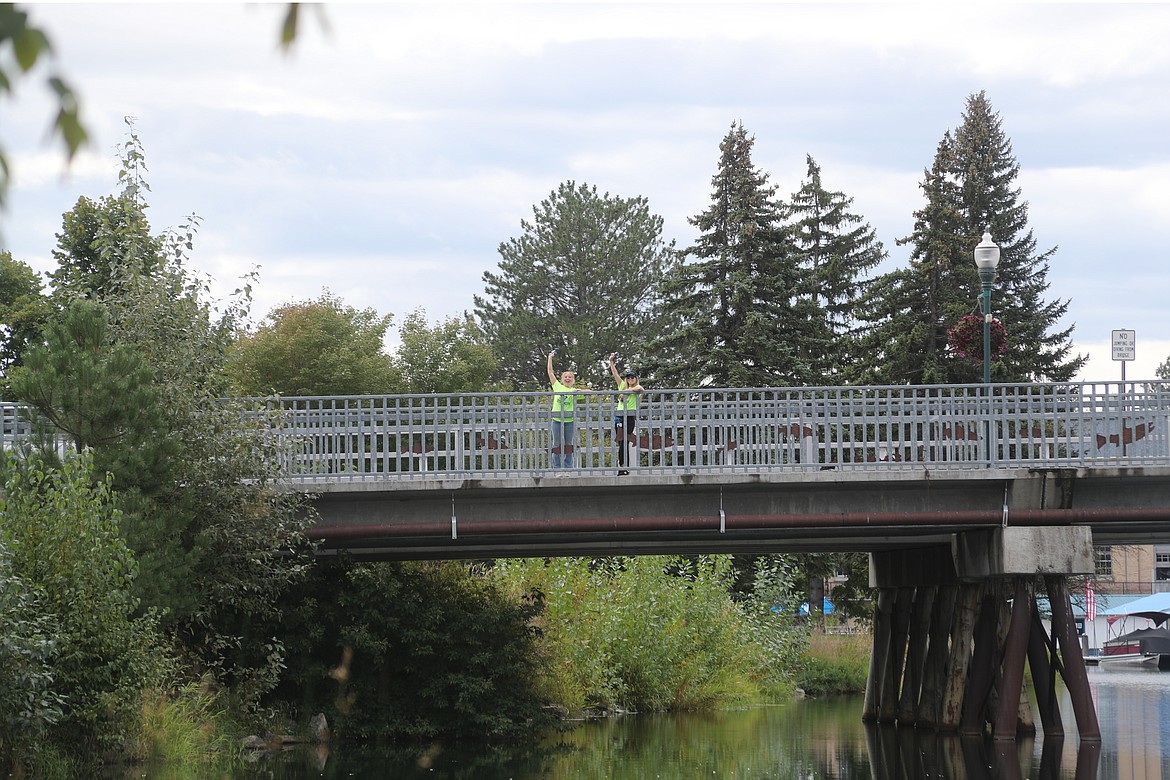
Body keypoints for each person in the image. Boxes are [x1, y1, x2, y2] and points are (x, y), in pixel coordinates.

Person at [609, 353, 643, 475]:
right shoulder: (622, 385)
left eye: (632, 377)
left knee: (625, 442)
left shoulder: (636, 386)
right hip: (619, 417)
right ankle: (622, 466)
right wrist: (611, 362)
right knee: (621, 441)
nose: (630, 379)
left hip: (629, 417)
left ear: (635, 378)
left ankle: (624, 466)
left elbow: (639, 389)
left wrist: (625, 392)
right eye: (628, 378)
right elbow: (615, 374)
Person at [547, 351, 580, 469]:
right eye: (565, 377)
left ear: (573, 379)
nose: (567, 378)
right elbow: (550, 372)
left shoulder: (574, 390)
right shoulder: (557, 386)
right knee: (557, 444)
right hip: (556, 420)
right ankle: (556, 467)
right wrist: (550, 358)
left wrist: (578, 391)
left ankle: (568, 467)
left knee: (568, 444)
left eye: (570, 377)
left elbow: (590, 393)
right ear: (562, 379)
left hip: (569, 421)